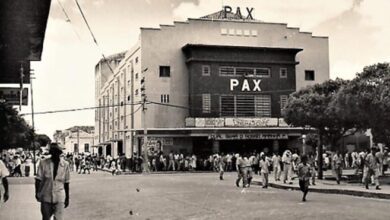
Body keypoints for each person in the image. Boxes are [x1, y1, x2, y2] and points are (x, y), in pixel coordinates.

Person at [35, 143, 70, 220]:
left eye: (56, 152)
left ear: (59, 153)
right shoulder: (43, 163)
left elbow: (66, 183)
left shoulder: (65, 164)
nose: (55, 154)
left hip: (59, 196)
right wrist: (37, 193)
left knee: (58, 218)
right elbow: (38, 179)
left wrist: (67, 198)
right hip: (46, 195)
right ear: (51, 153)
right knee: (46, 218)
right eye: (53, 152)